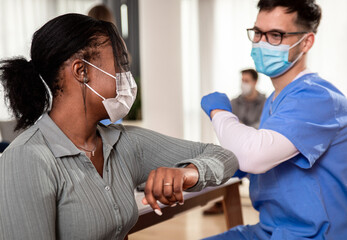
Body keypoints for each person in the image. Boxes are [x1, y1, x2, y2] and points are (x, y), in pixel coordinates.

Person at [0, 13, 239, 240]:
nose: (127, 77)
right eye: (120, 65)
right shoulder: (27, 158)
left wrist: (187, 172)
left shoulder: (123, 143)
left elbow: (225, 157)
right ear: (81, 71)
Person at [200, 0, 347, 239]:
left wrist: (220, 112)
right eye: (258, 33)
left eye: (276, 35)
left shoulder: (318, 97)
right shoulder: (275, 100)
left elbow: (253, 154)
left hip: (312, 234)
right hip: (269, 230)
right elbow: (267, 161)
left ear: (306, 42)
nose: (262, 43)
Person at [203, 68, 265, 215]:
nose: (243, 84)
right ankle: (220, 202)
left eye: (247, 81)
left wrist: (240, 130)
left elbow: (262, 125)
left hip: (255, 145)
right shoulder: (234, 102)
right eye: (242, 81)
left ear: (255, 82)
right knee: (222, 161)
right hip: (236, 146)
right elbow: (229, 125)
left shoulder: (265, 102)